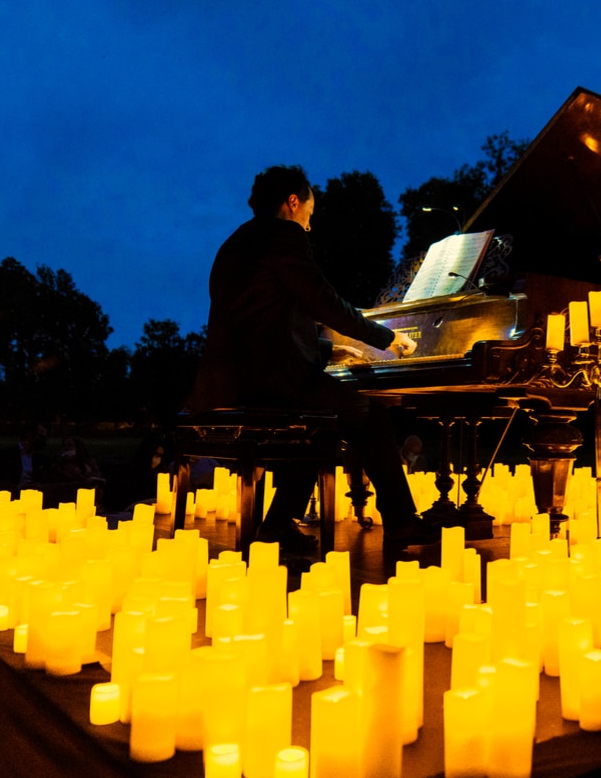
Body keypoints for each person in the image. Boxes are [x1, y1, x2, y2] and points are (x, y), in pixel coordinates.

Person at [185, 164, 437, 556]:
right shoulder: (283, 236)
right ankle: (402, 523)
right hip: (272, 379)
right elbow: (324, 301)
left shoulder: (234, 243)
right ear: (292, 203)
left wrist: (328, 350)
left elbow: (261, 323)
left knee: (323, 426)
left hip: (233, 379)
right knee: (367, 413)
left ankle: (276, 528)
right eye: (309, 215)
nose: (309, 226)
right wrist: (387, 337)